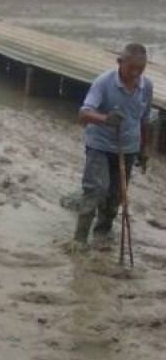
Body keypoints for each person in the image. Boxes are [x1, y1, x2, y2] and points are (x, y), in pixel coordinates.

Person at [73, 42, 152, 248]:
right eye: (131, 67)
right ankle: (79, 239)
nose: (135, 73)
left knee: (116, 195)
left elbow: (144, 120)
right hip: (100, 144)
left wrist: (143, 150)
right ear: (119, 62)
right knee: (96, 189)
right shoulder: (103, 82)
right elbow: (83, 114)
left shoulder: (146, 86)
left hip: (128, 148)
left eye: (140, 68)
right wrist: (106, 119)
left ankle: (103, 233)